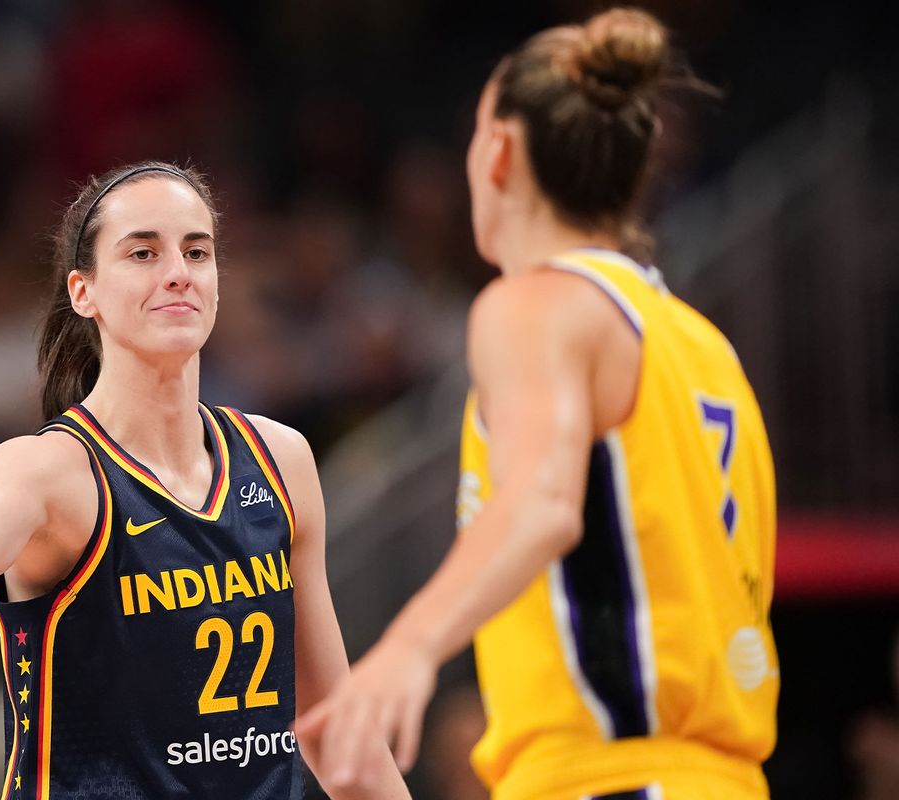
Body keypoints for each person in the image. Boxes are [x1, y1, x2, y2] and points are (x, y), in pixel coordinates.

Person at [295, 9, 779, 800]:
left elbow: (545, 501)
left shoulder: (534, 305)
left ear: (502, 152)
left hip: (612, 780)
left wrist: (407, 648)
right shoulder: (704, 346)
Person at [0, 161, 409, 799]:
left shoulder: (280, 458)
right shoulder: (51, 469)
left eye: (197, 251)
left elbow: (329, 723)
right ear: (84, 291)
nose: (178, 271)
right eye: (144, 252)